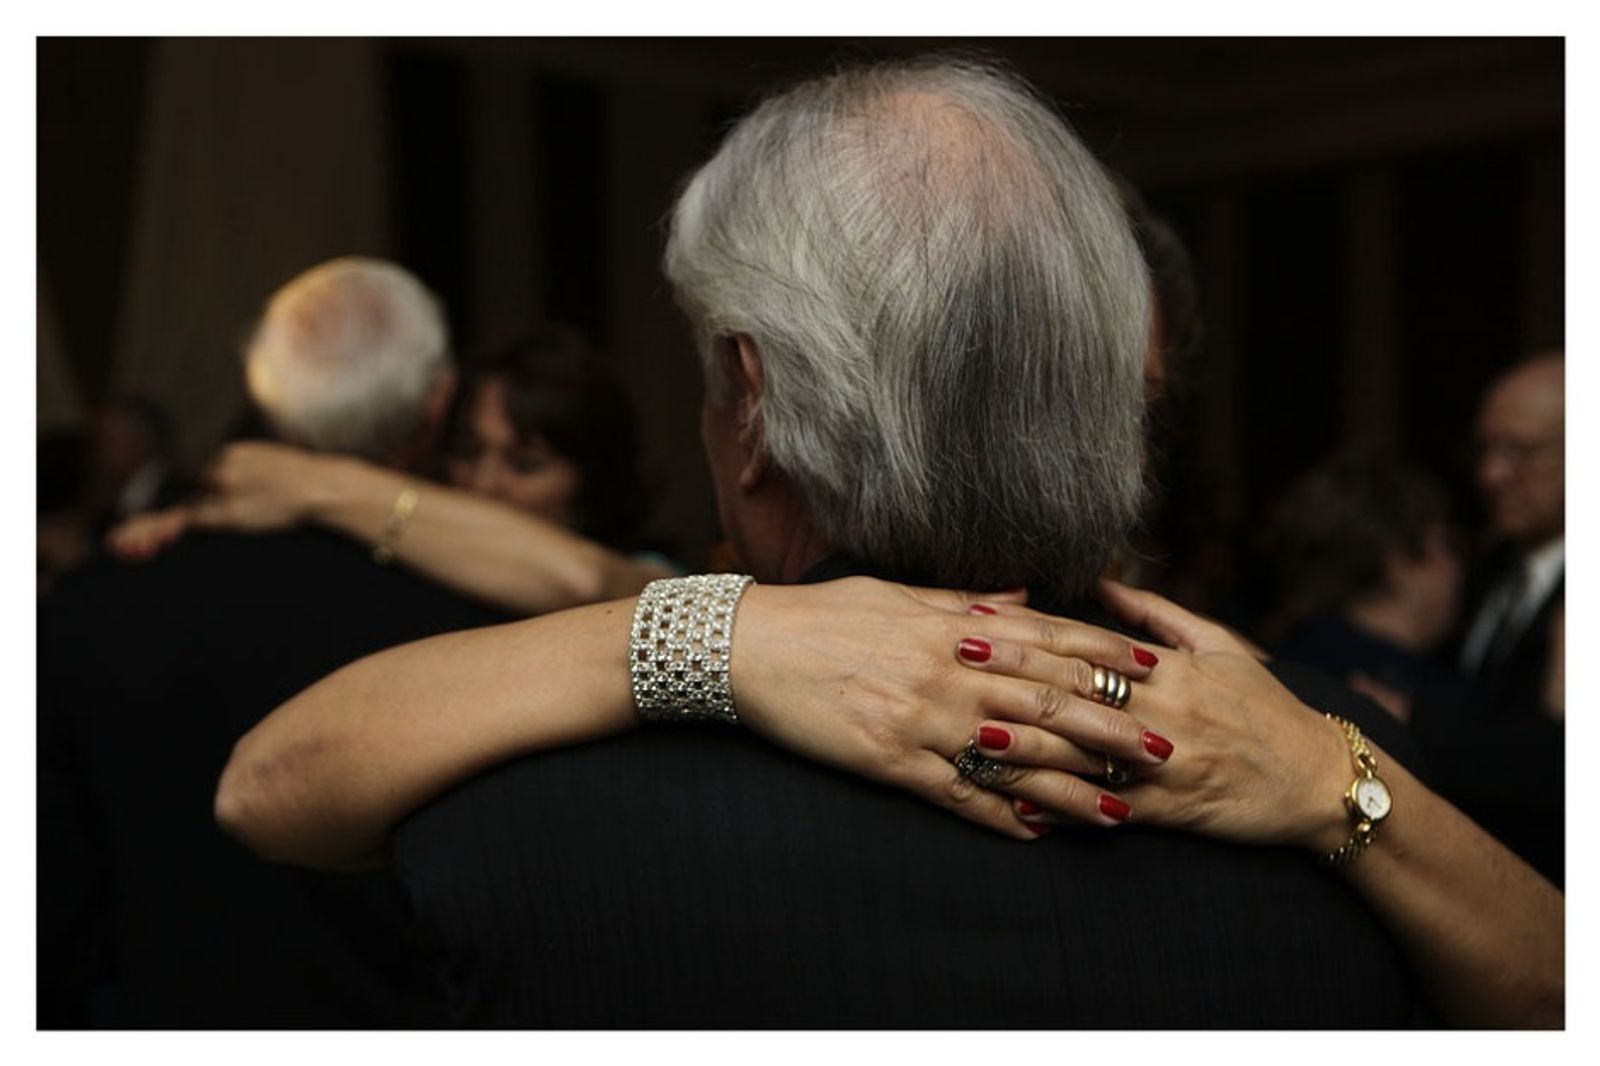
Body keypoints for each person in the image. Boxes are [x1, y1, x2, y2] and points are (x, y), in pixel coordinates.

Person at [209, 59, 1570, 1028]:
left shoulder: (532, 810)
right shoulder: (1335, 779)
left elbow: (271, 791)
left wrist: (699, 631)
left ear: (749, 398)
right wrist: (1345, 771)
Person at [38, 257, 513, 1026]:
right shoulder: (487, 619)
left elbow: (49, 915)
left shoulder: (92, 603)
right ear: (438, 406)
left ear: (262, 396)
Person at [108, 324, 671, 614]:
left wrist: (309, 483)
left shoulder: (644, 576)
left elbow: (590, 583)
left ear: (592, 482)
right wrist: (197, 523)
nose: (481, 485)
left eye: (525, 464)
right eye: (468, 452)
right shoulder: (417, 563)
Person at [1418, 351, 1566, 883]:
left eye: (1519, 452)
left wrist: (1408, 718)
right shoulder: (1486, 569)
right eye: (1485, 450)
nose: (1491, 474)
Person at [1258, 451, 1469, 723]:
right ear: (1400, 563)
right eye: (1449, 545)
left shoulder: (1279, 663)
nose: (1460, 567)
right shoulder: (1433, 703)